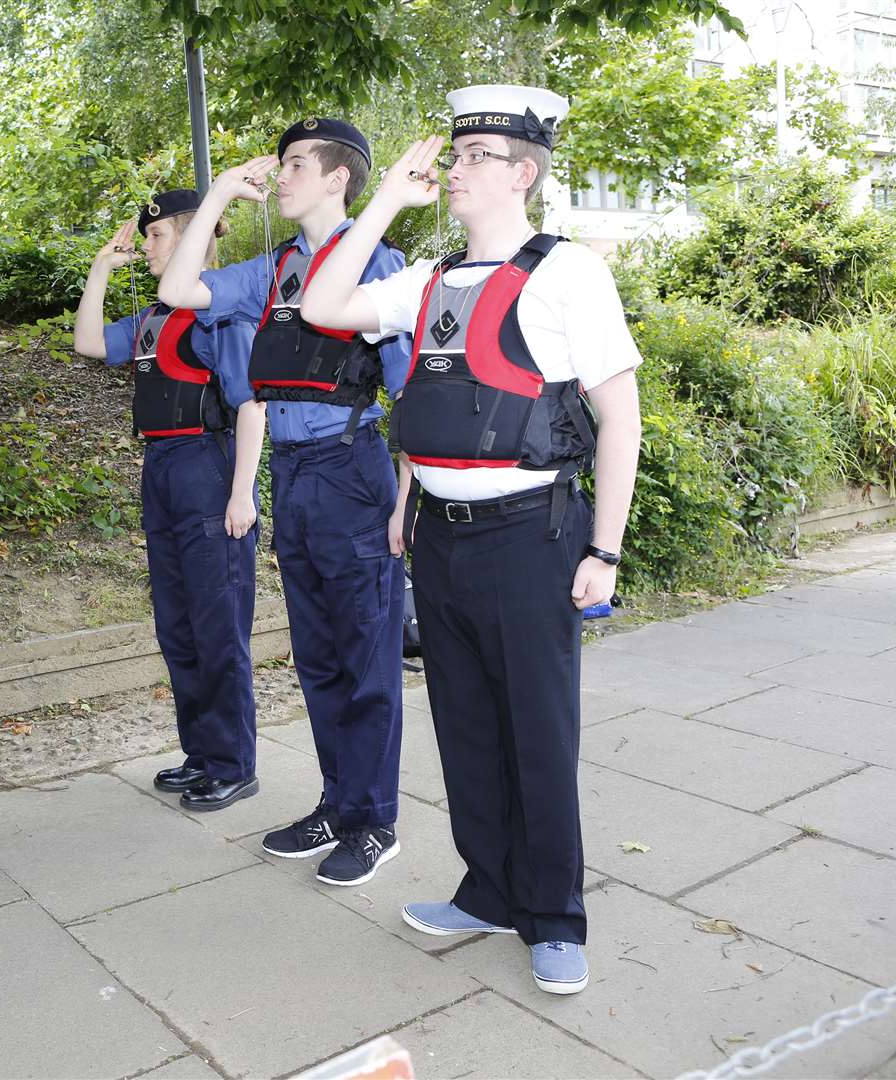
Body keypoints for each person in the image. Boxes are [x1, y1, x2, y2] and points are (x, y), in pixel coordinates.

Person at [300, 85, 643, 995]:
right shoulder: (429, 280)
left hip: (534, 537)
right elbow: (323, 309)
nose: (452, 167)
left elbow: (619, 418)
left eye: (473, 155)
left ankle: (556, 916)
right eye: (452, 154)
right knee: (465, 728)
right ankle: (489, 890)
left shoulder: (570, 273)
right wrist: (384, 202)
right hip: (441, 540)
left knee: (537, 731)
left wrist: (602, 551)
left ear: (523, 172)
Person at [158, 120, 411, 887]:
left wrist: (403, 504)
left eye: (296, 163)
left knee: (367, 659)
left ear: (339, 179)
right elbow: (176, 289)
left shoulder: (381, 263)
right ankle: (338, 804)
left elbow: (415, 393)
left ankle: (375, 822)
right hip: (295, 478)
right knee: (320, 659)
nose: (283, 174)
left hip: (352, 467)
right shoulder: (272, 271)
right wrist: (216, 199)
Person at [73, 189, 264, 811]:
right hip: (161, 468)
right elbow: (90, 344)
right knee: (178, 626)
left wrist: (242, 494)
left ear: (186, 237)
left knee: (218, 626)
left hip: (208, 468)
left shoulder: (219, 312)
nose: (147, 246)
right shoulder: (156, 317)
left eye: (155, 237)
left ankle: (234, 763)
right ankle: (203, 753)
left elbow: (250, 404)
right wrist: (103, 265)